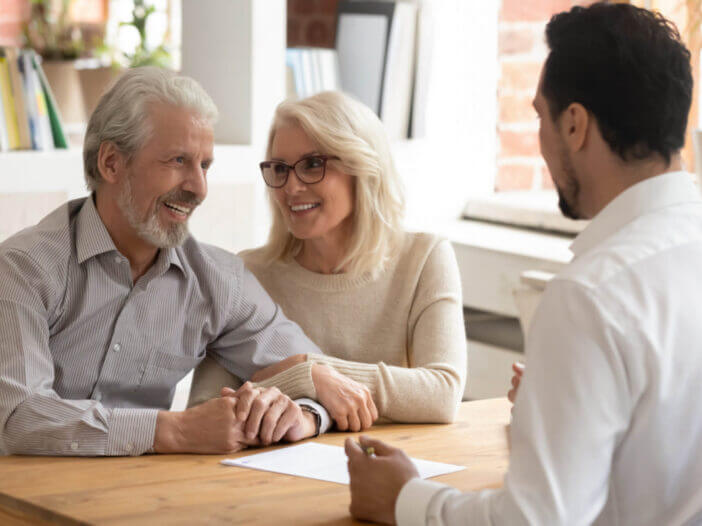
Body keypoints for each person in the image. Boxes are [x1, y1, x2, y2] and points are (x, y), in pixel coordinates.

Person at [345, 3, 702, 524]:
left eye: (540, 115)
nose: (540, 139)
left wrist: (405, 499)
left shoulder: (591, 297)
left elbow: (539, 520)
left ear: (575, 124)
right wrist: (556, 412)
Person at [0, 67, 363, 456]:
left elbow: (328, 383)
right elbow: (18, 418)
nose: (198, 188)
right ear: (110, 163)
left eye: (204, 165)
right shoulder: (23, 269)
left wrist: (301, 414)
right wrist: (176, 431)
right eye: (177, 161)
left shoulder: (218, 281)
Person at [189, 91, 467, 429]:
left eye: (312, 165)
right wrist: (311, 380)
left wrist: (305, 366)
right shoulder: (247, 273)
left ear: (362, 169)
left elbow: (442, 393)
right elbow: (206, 408)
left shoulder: (424, 259)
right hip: (269, 475)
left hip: (388, 467)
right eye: (280, 169)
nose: (290, 187)